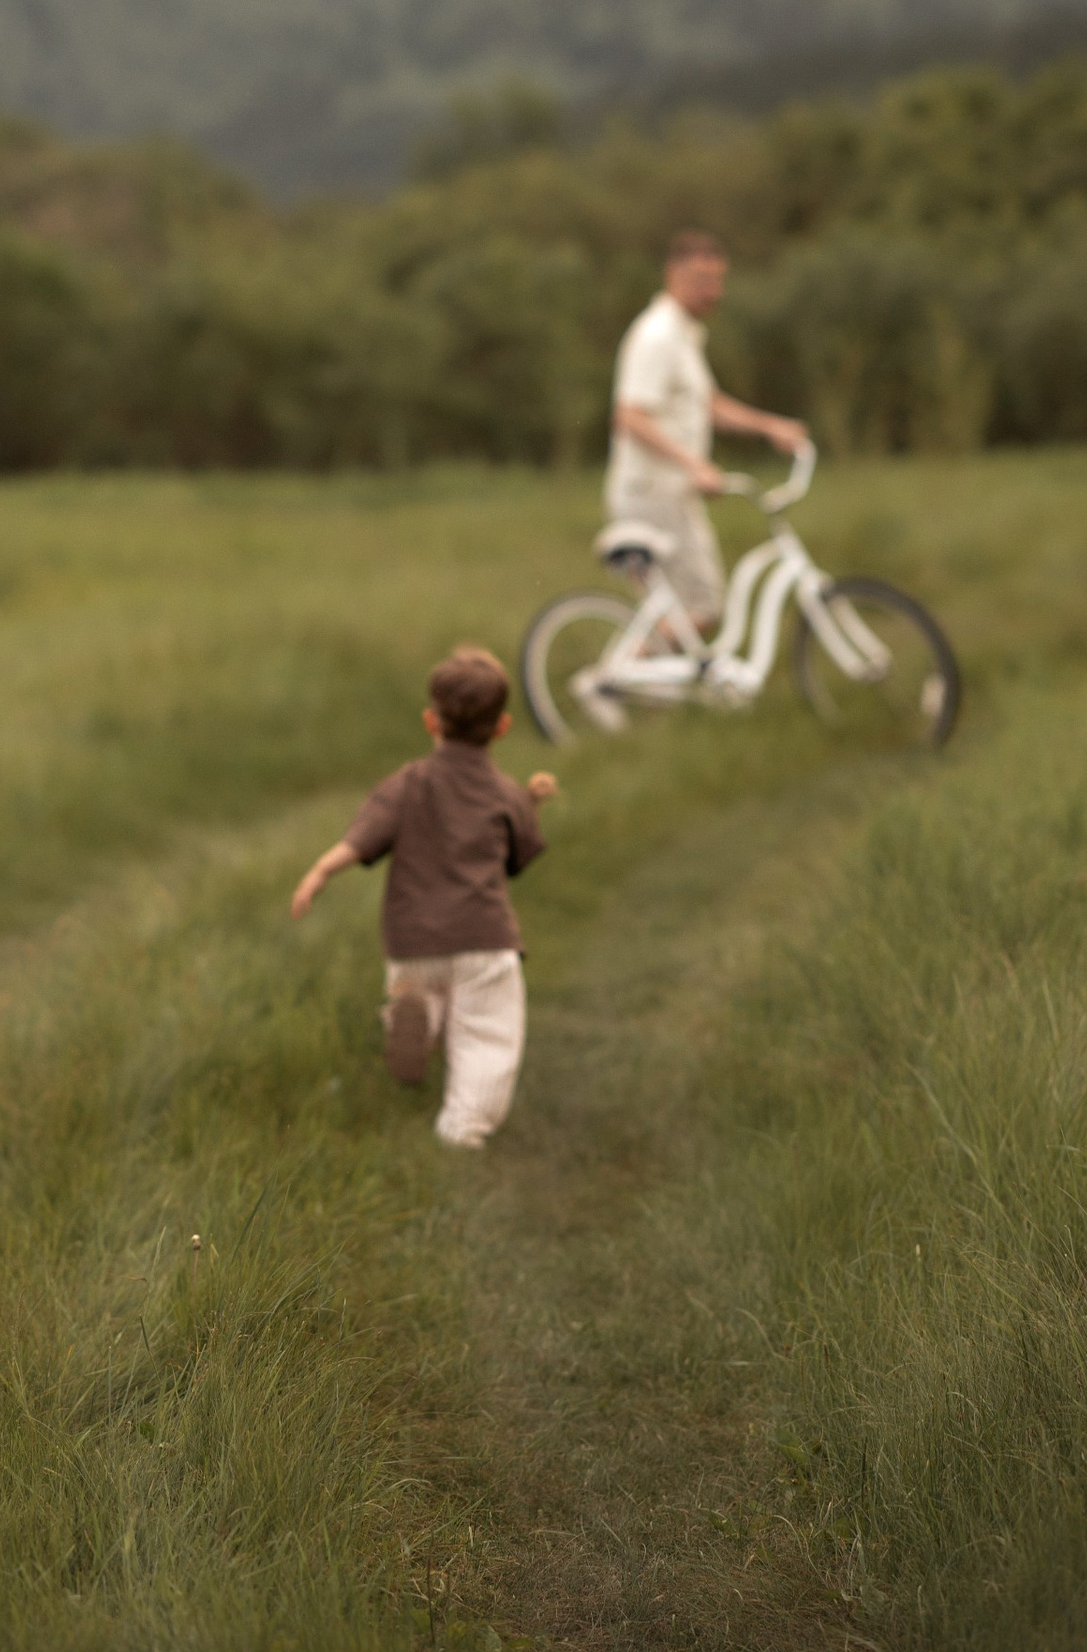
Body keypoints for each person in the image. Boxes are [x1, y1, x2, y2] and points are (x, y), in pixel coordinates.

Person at [289, 645, 556, 1149]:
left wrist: (320, 872)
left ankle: (418, 1018)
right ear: (502, 727)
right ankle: (462, 1129)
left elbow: (360, 840)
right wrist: (531, 804)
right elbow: (519, 857)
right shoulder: (503, 792)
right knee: (486, 1035)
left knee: (424, 991)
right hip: (482, 939)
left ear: (431, 721)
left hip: (412, 940)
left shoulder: (407, 784)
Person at [601, 230, 807, 637]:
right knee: (702, 607)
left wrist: (770, 426)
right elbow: (629, 416)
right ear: (671, 276)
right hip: (652, 495)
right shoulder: (657, 336)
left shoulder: (684, 334)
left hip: (673, 493)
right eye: (701, 281)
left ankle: (647, 689)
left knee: (685, 611)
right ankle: (609, 685)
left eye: (717, 281)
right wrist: (695, 464)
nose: (712, 292)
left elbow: (708, 404)